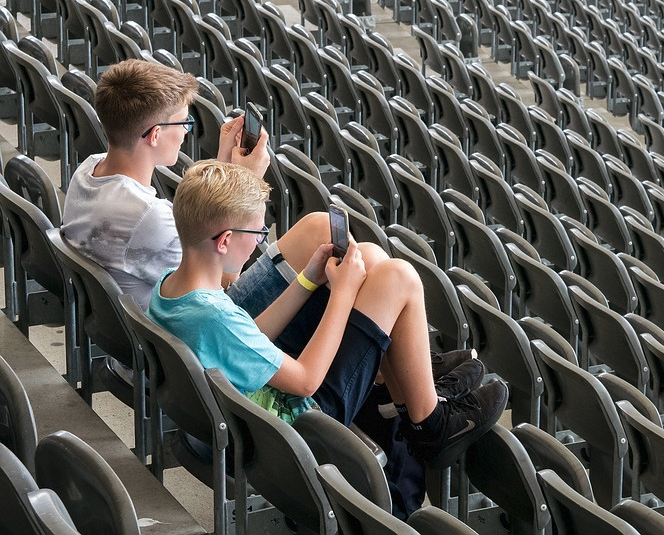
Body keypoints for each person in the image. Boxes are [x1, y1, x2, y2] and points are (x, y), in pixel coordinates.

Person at [60, 60, 504, 476]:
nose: (187, 132)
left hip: (211, 356)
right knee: (396, 275)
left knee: (333, 241)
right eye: (183, 124)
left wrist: (230, 176)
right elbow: (227, 274)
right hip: (287, 420)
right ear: (155, 134)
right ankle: (428, 418)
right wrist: (247, 181)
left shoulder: (89, 176)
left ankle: (404, 378)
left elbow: (208, 242)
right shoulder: (152, 225)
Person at [147, 160, 507, 467]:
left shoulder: (173, 290)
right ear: (224, 241)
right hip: (298, 426)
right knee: (400, 277)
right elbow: (306, 381)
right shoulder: (214, 316)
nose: (260, 240)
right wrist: (343, 294)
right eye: (257, 233)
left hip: (258, 420)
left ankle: (415, 389)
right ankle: (432, 425)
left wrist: (307, 281)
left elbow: (250, 335)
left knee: (373, 262)